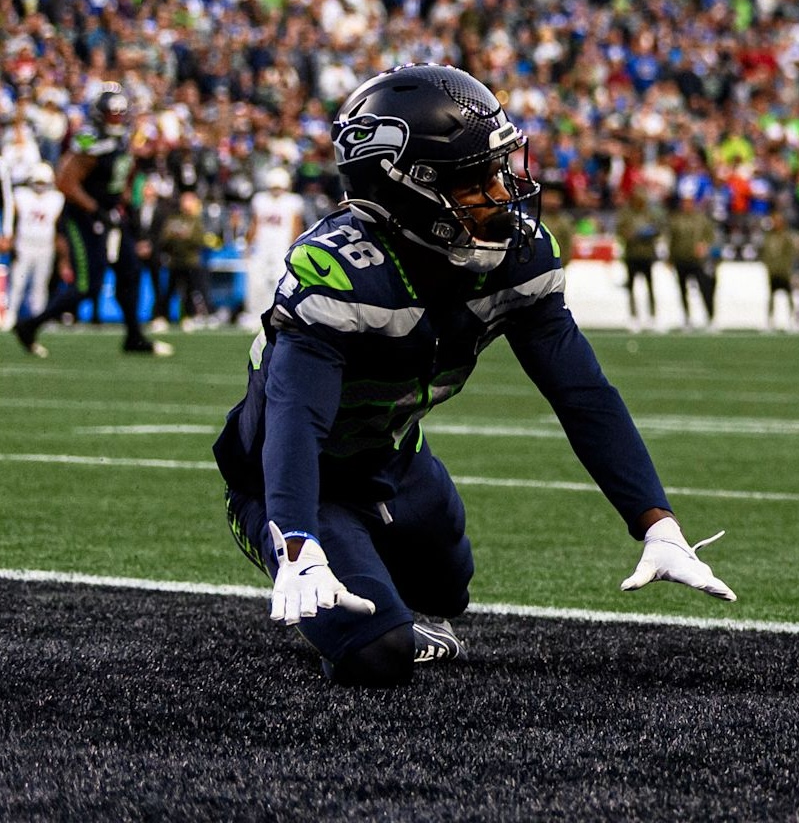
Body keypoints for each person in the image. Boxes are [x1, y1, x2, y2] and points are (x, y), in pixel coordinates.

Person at [212, 64, 734, 687]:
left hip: (395, 461)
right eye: (476, 180)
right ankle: (336, 592)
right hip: (294, 481)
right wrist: (297, 541)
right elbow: (296, 420)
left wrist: (658, 523)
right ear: (409, 189)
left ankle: (369, 584)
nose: (501, 191)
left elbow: (582, 392)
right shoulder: (341, 272)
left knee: (450, 590)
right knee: (379, 655)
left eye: (500, 168)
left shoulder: (514, 257)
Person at [13, 90, 165, 357]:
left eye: (120, 114)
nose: (117, 119)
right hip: (84, 217)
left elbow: (123, 175)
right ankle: (29, 326)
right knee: (87, 285)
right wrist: (96, 208)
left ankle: (134, 336)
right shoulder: (90, 139)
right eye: (112, 114)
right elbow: (65, 181)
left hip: (110, 214)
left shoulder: (123, 140)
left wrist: (121, 202)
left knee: (130, 270)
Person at [6, 162, 64, 345]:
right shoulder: (21, 196)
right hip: (24, 244)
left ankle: (37, 319)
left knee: (40, 285)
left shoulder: (56, 198)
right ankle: (10, 315)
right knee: (18, 283)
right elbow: (13, 216)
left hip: (45, 245)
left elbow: (57, 224)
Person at [247, 167, 308, 325]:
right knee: (257, 281)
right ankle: (255, 315)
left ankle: (278, 316)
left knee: (280, 282)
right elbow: (255, 223)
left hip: (282, 247)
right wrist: (248, 243)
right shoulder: (260, 199)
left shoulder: (293, 201)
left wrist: (296, 247)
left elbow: (296, 226)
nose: (276, 190)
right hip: (262, 247)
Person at [151, 190, 216, 331]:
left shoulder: (196, 220)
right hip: (175, 261)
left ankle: (189, 316)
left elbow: (200, 240)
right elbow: (165, 238)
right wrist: (177, 237)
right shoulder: (174, 218)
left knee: (192, 290)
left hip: (191, 261)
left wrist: (186, 237)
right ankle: (162, 317)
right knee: (169, 291)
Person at [667, 195, 718, 330]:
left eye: (689, 203)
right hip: (681, 259)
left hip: (697, 261)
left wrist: (704, 245)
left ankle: (710, 317)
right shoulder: (676, 219)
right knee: (683, 291)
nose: (687, 205)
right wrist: (670, 258)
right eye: (685, 203)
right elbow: (671, 240)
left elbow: (710, 235)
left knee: (704, 289)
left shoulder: (701, 219)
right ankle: (687, 318)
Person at [616, 187, 663, 331]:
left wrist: (648, 233)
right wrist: (632, 235)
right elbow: (621, 231)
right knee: (631, 287)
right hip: (632, 254)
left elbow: (658, 229)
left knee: (650, 287)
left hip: (647, 254)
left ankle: (652, 316)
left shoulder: (650, 214)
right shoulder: (626, 214)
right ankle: (633, 316)